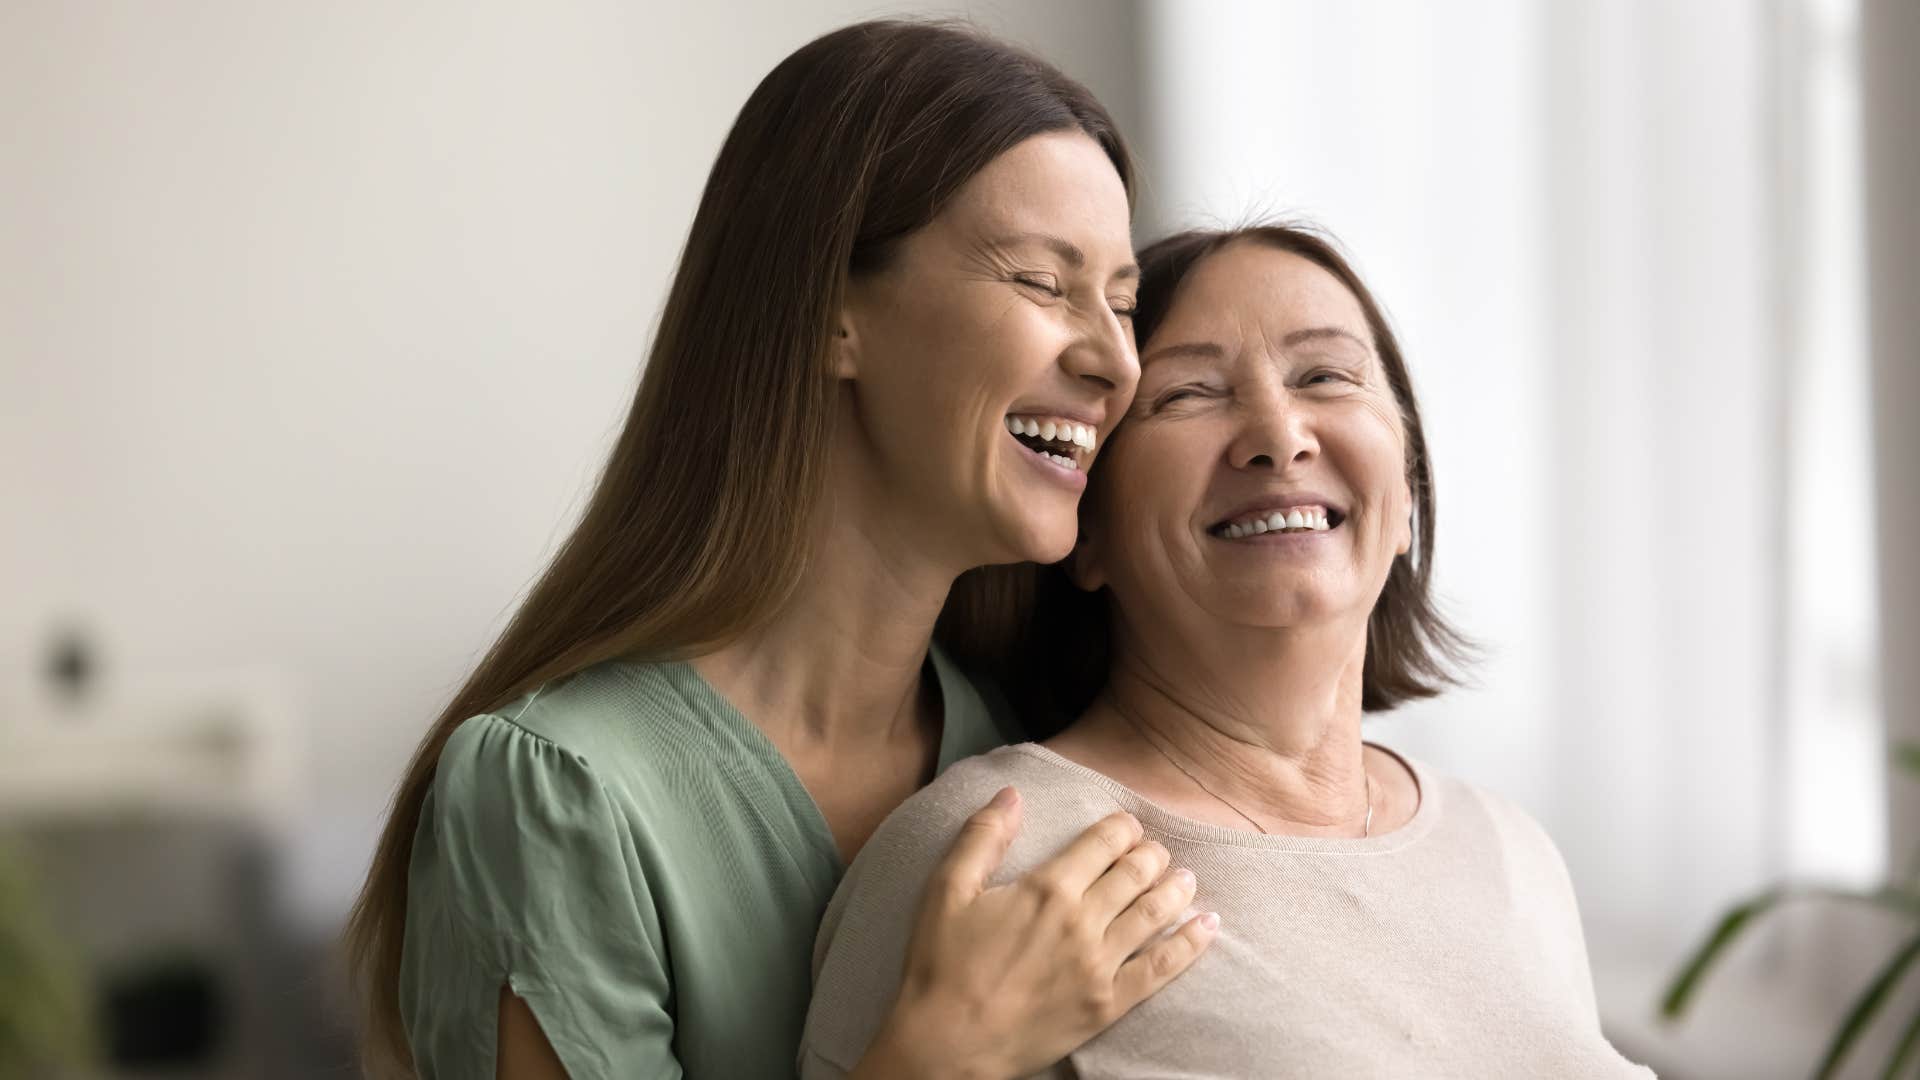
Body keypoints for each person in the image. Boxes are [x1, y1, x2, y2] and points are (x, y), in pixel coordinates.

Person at [343, 20, 1219, 1080]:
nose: (1116, 362)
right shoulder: (556, 796)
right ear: (832, 315)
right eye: (1042, 282)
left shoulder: (1035, 749)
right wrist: (933, 1058)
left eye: (1123, 305)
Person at [800, 224, 1659, 1078]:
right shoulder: (997, 850)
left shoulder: (1510, 852)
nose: (1279, 436)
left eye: (1325, 376)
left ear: (1406, 495)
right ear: (1085, 529)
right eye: (1188, 394)